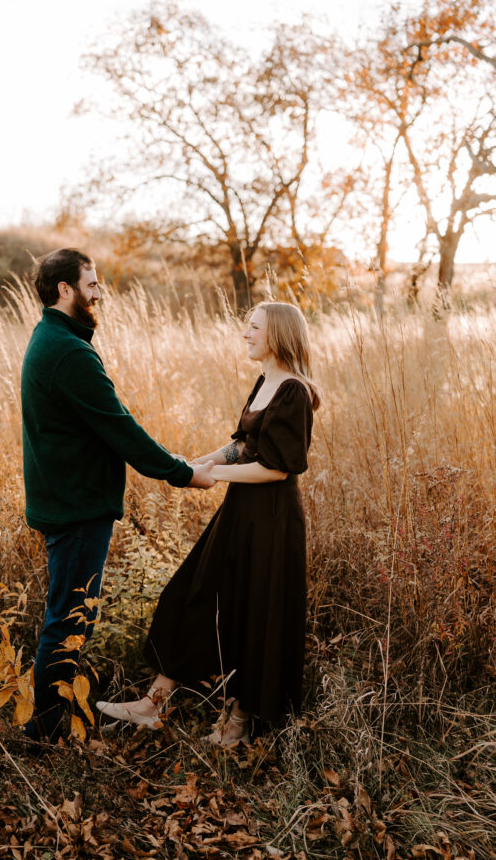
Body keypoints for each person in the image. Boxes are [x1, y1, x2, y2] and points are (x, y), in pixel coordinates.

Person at [97, 301, 319, 746]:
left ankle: (237, 723)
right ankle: (152, 705)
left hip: (272, 521)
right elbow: (245, 443)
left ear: (276, 334)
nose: (245, 334)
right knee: (191, 594)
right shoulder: (265, 381)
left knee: (257, 614)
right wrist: (200, 461)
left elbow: (278, 468)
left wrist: (213, 476)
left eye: (253, 327)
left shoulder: (294, 391)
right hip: (241, 511)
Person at [21, 248, 216, 744]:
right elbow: (119, 427)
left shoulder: (53, 339)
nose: (99, 291)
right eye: (91, 283)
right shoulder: (68, 351)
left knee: (67, 613)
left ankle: (49, 723)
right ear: (65, 290)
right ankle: (44, 732)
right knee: (68, 619)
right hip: (77, 507)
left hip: (68, 501)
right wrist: (182, 474)